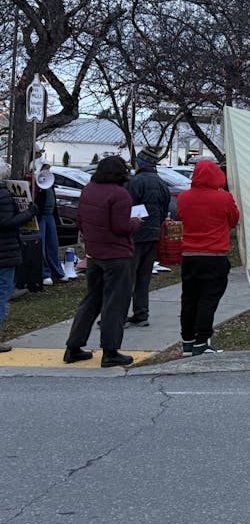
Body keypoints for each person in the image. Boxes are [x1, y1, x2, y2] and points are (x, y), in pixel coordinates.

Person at [64, 156, 142, 367]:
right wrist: (135, 223)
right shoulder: (120, 195)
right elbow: (120, 227)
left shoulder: (89, 190)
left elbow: (80, 219)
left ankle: (73, 347)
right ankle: (110, 351)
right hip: (117, 256)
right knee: (115, 303)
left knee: (91, 300)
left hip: (94, 254)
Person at [176, 159, 240, 356]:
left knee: (189, 299)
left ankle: (187, 341)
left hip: (189, 256)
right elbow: (234, 219)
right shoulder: (223, 198)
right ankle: (202, 342)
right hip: (214, 255)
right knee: (208, 299)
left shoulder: (183, 197)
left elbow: (181, 216)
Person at [126, 147, 171, 328]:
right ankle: (141, 313)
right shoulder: (161, 183)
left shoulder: (135, 182)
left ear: (141, 163)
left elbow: (127, 206)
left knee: (128, 278)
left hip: (135, 235)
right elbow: (164, 208)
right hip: (153, 234)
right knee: (144, 277)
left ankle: (119, 316)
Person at [0, 163, 38, 353]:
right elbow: (6, 223)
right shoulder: (3, 195)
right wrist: (28, 214)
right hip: (4, 253)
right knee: (1, 294)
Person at [33, 163, 66, 286]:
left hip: (49, 215)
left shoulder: (49, 183)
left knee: (52, 244)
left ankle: (57, 272)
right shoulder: (37, 184)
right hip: (41, 216)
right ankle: (45, 273)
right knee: (41, 246)